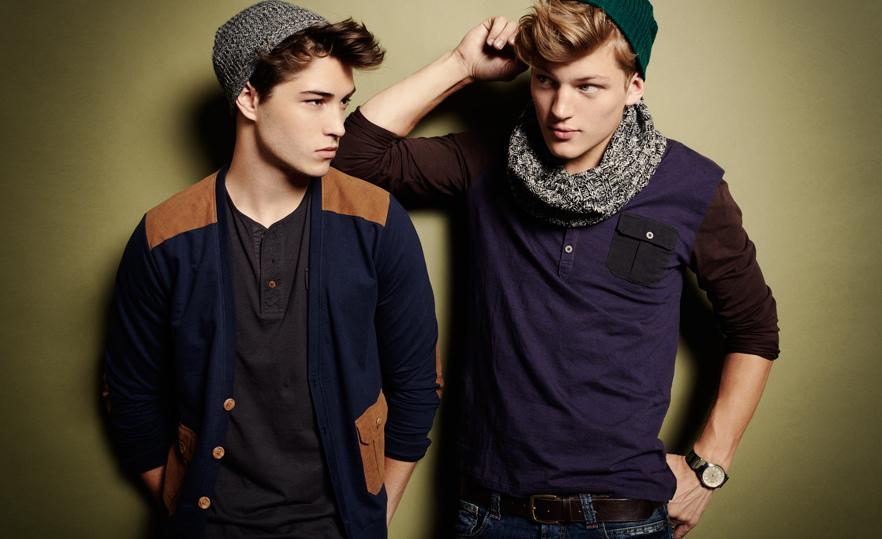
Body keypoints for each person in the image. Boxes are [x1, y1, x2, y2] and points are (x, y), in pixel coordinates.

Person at [332, 0, 778, 537]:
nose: (561, 109)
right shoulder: (487, 161)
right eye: (546, 81)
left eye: (588, 86)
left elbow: (754, 328)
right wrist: (461, 65)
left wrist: (710, 465)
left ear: (633, 87)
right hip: (489, 512)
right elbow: (351, 158)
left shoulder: (689, 185)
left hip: (621, 517)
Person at [103, 2, 442, 537]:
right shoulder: (165, 235)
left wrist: (373, 516)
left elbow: (418, 383)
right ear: (249, 98)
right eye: (315, 101)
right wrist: (180, 505)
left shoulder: (377, 220)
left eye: (343, 102)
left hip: (342, 526)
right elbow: (130, 394)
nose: (338, 125)